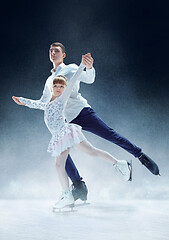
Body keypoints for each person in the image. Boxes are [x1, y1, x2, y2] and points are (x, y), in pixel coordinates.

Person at [13, 42, 160, 202]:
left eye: (57, 51)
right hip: (65, 123)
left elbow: (89, 78)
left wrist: (89, 67)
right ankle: (79, 187)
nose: (53, 53)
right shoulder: (49, 81)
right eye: (51, 51)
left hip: (81, 112)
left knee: (109, 135)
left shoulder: (70, 68)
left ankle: (139, 155)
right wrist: (24, 101)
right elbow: (44, 102)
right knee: (61, 152)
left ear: (63, 55)